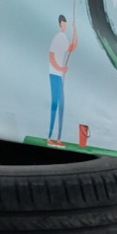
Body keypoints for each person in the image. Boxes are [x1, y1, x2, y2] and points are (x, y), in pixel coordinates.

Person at [47, 13, 78, 143]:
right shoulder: (58, 37)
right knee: (56, 104)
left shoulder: (64, 38)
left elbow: (72, 48)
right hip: (55, 74)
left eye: (66, 24)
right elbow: (51, 55)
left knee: (62, 105)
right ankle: (50, 137)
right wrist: (60, 69)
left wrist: (76, 31)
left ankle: (59, 139)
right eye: (64, 23)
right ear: (61, 24)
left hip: (59, 75)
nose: (65, 25)